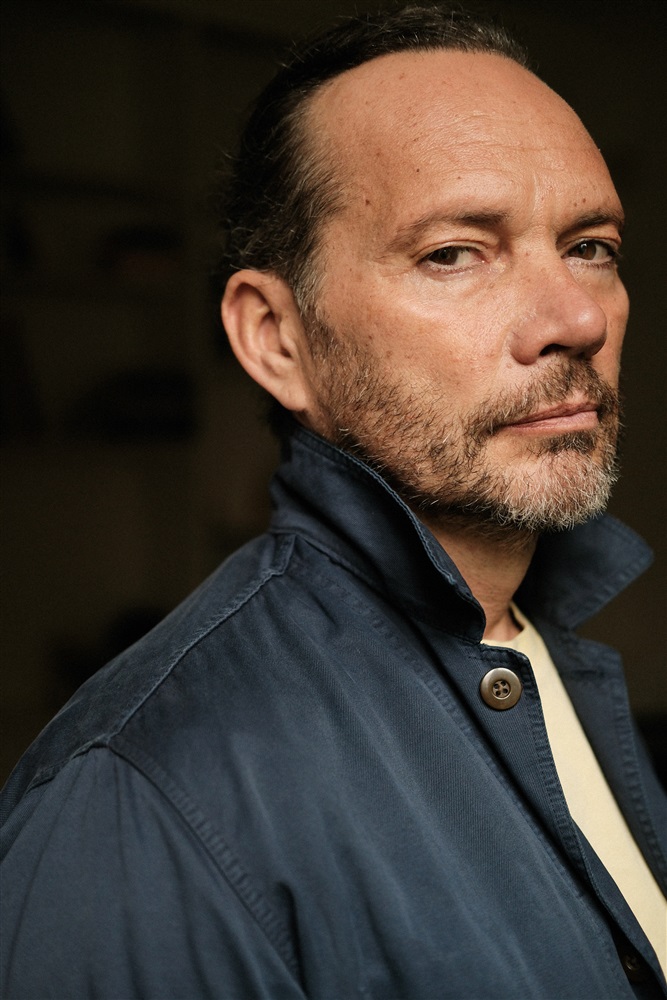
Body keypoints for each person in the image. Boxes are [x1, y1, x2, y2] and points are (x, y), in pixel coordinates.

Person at [1, 4, 665, 997]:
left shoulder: (543, 655)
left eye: (590, 247)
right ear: (276, 338)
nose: (575, 318)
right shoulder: (134, 799)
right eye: (453, 252)